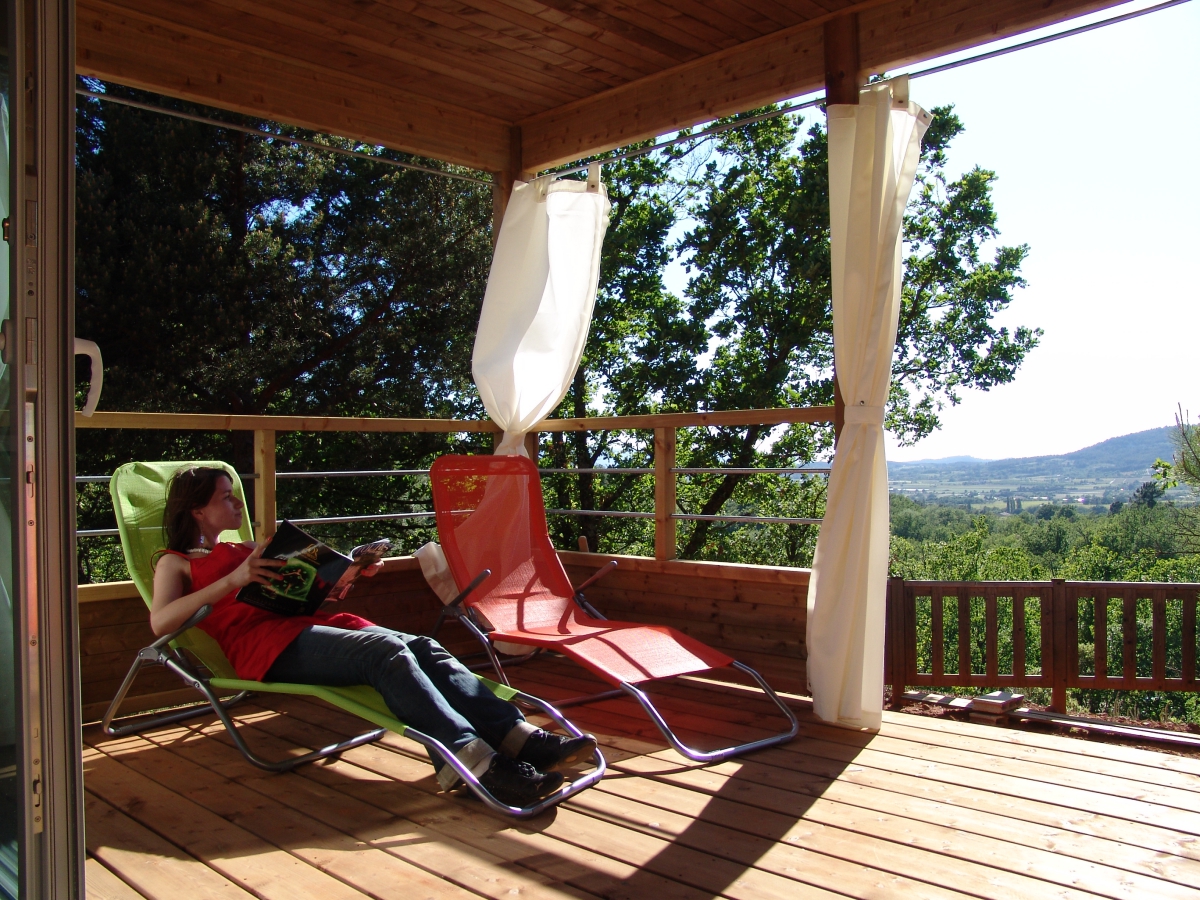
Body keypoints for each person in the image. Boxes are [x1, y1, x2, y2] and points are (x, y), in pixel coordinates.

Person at [150, 466, 596, 806]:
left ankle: (520, 739)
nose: (237, 507)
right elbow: (161, 622)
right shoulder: (175, 563)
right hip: (263, 649)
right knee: (384, 653)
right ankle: (475, 762)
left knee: (424, 645)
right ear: (197, 510)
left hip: (301, 628)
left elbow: (307, 595)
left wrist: (349, 573)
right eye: (227, 499)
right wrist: (231, 581)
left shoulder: (249, 550)